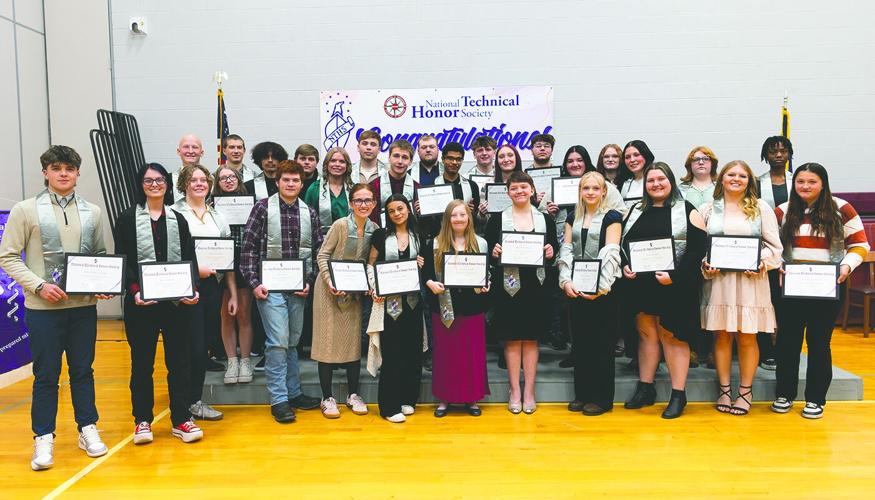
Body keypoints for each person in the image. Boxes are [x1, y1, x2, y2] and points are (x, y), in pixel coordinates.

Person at [0, 146, 109, 470]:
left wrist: (101, 283)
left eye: (69, 168)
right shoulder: (25, 210)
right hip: (42, 309)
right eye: (56, 168)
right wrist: (38, 285)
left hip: (81, 308)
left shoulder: (93, 211)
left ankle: (87, 428)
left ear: (77, 173)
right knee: (46, 375)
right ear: (46, 172)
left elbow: (100, 255)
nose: (63, 173)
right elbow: (7, 257)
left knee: (83, 371)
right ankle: (43, 438)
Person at [114, 163, 203, 443]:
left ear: (167, 183)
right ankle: (142, 420)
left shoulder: (178, 218)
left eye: (160, 180)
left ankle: (180, 419)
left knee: (179, 362)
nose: (155, 185)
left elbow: (190, 257)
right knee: (142, 364)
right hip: (142, 305)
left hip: (176, 305)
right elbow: (124, 259)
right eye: (148, 180)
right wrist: (135, 289)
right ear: (140, 184)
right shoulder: (128, 218)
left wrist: (193, 288)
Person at [772, 163, 870, 419]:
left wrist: (846, 266)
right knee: (787, 344)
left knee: (818, 344)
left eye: (811, 182)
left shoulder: (842, 209)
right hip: (790, 289)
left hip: (827, 288)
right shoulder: (783, 210)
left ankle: (816, 399)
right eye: (800, 181)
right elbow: (768, 245)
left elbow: (860, 244)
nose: (805, 186)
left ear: (823, 183)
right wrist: (778, 263)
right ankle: (784, 394)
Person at [621, 162, 707, 419]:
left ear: (670, 181)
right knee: (646, 333)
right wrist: (626, 266)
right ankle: (645, 388)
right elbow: (623, 244)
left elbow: (697, 250)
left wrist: (675, 277)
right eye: (651, 181)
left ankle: (678, 394)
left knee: (671, 335)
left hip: (673, 286)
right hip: (641, 285)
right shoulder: (635, 210)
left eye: (661, 179)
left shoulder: (687, 210)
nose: (656, 184)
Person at [240, 160, 323, 423]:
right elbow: (248, 248)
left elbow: (318, 251)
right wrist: (254, 283)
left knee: (292, 342)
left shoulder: (308, 212)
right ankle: (279, 399)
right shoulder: (263, 208)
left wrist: (309, 280)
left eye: (295, 180)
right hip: (269, 289)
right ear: (277, 182)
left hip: (297, 290)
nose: (290, 184)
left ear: (301, 183)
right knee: (277, 342)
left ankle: (294, 392)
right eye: (286, 180)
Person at [699, 161, 782, 415]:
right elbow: (698, 249)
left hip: (751, 281)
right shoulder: (707, 209)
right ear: (721, 179)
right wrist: (705, 264)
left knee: (747, 336)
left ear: (750, 181)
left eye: (742, 175)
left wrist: (761, 262)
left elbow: (775, 248)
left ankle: (745, 391)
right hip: (719, 282)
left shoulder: (761, 208)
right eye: (731, 174)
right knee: (722, 335)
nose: (736, 179)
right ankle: (724, 390)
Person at [486, 171, 559, 414]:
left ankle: (529, 391)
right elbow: (488, 254)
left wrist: (550, 251)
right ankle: (514, 390)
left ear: (531, 190)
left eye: (523, 187)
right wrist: (494, 253)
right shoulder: (498, 219)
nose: (519, 192)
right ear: (507, 192)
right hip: (509, 288)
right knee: (512, 338)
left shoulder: (545, 219)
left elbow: (554, 251)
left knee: (530, 339)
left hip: (536, 288)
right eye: (514, 188)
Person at [557, 172, 623, 415]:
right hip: (576, 289)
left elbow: (611, 253)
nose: (591, 192)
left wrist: (600, 287)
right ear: (580, 191)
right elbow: (566, 249)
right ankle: (582, 394)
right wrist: (565, 281)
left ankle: (601, 398)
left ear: (604, 191)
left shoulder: (612, 217)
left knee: (602, 344)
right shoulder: (573, 216)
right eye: (586, 188)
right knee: (581, 344)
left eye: (596, 188)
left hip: (604, 292)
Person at [312, 183, 379, 418]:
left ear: (374, 203)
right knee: (327, 342)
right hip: (329, 289)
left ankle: (353, 394)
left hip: (354, 291)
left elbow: (371, 263)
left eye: (368, 200)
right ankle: (327, 397)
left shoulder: (374, 229)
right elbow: (322, 255)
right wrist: (330, 281)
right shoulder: (341, 225)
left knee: (352, 342)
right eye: (358, 200)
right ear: (351, 203)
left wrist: (369, 284)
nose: (363, 204)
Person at [173, 164, 234, 420]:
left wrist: (231, 291)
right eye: (193, 180)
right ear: (184, 183)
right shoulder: (174, 213)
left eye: (203, 180)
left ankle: (195, 401)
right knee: (186, 347)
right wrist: (195, 270)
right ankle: (181, 403)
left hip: (212, 287)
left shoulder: (216, 215)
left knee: (203, 345)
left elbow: (228, 255)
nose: (199, 184)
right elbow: (171, 252)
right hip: (183, 286)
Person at [424, 200, 491, 417]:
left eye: (462, 215)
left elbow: (486, 272)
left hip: (472, 307)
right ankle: (445, 398)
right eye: (454, 215)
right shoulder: (433, 244)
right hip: (444, 308)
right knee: (446, 355)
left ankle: (471, 398)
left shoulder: (480, 243)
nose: (459, 219)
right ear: (447, 219)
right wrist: (430, 284)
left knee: (471, 354)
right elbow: (425, 274)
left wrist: (486, 283)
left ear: (469, 218)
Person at [366, 194, 425, 422]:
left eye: (400, 208)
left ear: (408, 210)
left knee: (412, 352)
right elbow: (371, 265)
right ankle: (389, 406)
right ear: (387, 215)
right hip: (389, 304)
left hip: (413, 302)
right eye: (391, 211)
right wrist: (374, 287)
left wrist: (422, 264)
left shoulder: (419, 236)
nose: (397, 213)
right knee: (392, 353)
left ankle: (408, 399)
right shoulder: (381, 235)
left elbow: (427, 268)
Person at [211, 166, 254, 385]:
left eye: (231, 177)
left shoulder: (250, 204)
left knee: (244, 313)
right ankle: (232, 361)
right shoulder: (211, 207)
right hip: (220, 261)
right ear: (216, 183)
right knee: (226, 314)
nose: (228, 181)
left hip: (244, 261)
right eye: (222, 178)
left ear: (238, 179)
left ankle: (245, 360)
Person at [756, 136, 795, 370]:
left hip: (793, 251)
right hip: (766, 250)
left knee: (786, 304)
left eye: (783, 151)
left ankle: (784, 348)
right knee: (766, 300)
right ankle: (766, 350)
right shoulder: (757, 182)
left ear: (790, 153)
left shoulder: (798, 181)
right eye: (773, 151)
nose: (778, 155)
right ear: (765, 156)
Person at [368, 139, 420, 226]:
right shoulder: (373, 186)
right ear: (389, 158)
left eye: (405, 157)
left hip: (409, 236)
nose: (400, 161)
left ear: (410, 161)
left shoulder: (417, 188)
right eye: (396, 156)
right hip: (380, 234)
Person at [304, 146, 352, 236]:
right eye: (333, 161)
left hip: (349, 240)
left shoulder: (353, 189)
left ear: (347, 165)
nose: (337, 164)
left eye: (342, 161)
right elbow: (306, 220)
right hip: (321, 241)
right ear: (326, 164)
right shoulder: (314, 189)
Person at [168, 134, 205, 204]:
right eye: (186, 147)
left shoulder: (211, 179)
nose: (190, 151)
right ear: (178, 151)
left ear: (202, 153)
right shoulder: (168, 180)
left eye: (195, 147)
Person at [617, 140, 653, 208]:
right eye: (627, 157)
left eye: (636, 155)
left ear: (646, 155)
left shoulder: (655, 180)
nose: (632, 160)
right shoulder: (625, 183)